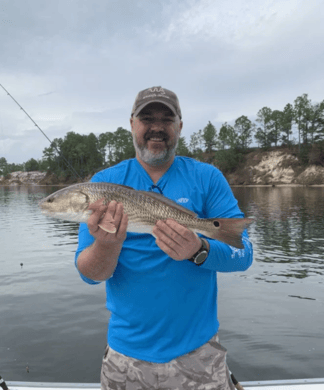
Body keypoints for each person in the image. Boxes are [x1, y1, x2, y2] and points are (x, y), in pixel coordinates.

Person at [75, 86, 253, 390]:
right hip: (125, 358)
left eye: (166, 119)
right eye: (147, 118)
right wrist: (107, 243)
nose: (157, 127)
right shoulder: (103, 185)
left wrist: (200, 249)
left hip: (199, 354)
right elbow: (90, 275)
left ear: (180, 127)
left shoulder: (207, 178)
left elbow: (243, 254)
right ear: (131, 124)